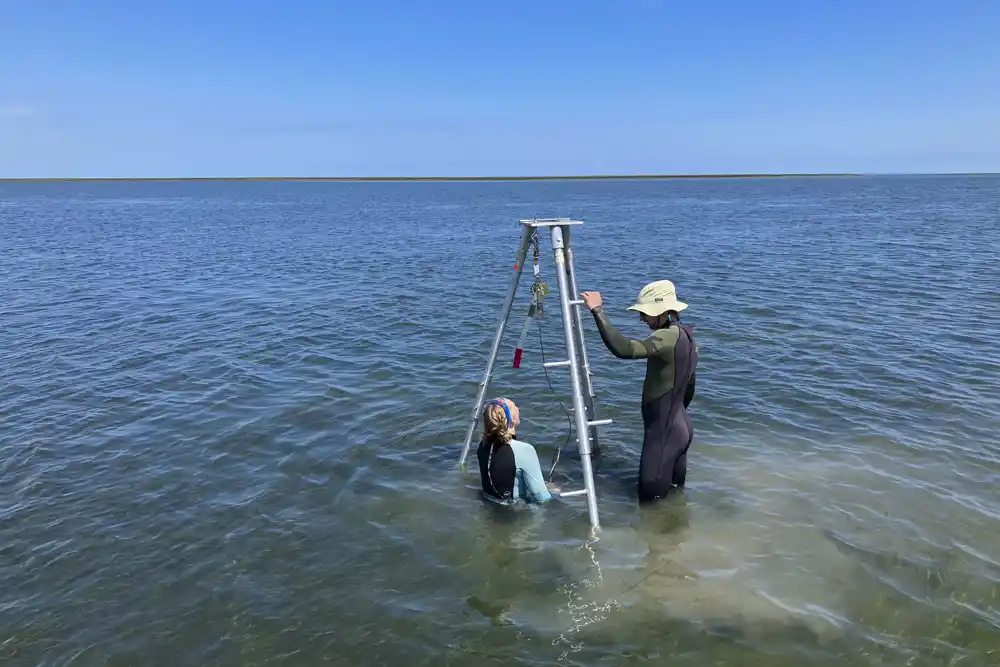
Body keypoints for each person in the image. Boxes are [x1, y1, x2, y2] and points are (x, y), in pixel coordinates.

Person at [580, 280, 699, 502]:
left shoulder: (665, 337)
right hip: (682, 428)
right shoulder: (688, 337)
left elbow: (624, 349)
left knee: (650, 507)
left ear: (662, 311)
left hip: (663, 436)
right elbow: (689, 389)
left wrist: (597, 310)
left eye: (645, 313)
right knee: (675, 501)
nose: (642, 318)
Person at [476, 397, 558, 504]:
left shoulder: (482, 446)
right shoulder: (524, 450)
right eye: (515, 405)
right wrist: (555, 493)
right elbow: (542, 497)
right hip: (516, 512)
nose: (517, 407)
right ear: (512, 419)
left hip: (489, 507)